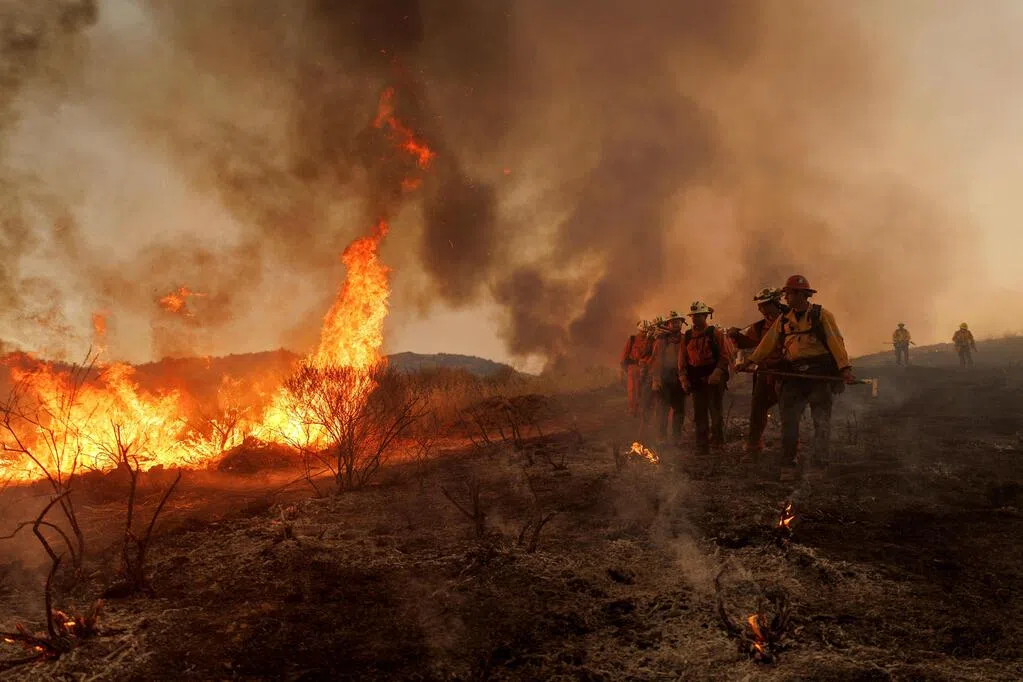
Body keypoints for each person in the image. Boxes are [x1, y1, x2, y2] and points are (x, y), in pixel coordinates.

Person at [739, 275, 856, 479]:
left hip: (818, 374)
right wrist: (750, 361)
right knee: (789, 421)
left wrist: (844, 368)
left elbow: (835, 341)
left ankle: (820, 464)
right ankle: (788, 464)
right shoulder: (784, 320)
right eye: (785, 294)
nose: (786, 298)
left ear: (802, 294)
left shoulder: (821, 315)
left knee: (821, 421)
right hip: (793, 374)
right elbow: (768, 342)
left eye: (789, 294)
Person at [727, 288, 788, 458]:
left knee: (788, 412)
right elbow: (748, 343)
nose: (759, 309)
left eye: (762, 305)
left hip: (786, 373)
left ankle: (790, 450)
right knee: (757, 410)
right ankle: (753, 447)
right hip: (765, 373)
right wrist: (736, 337)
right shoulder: (760, 326)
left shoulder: (791, 320)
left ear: (774, 303)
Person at [678, 301, 732, 454]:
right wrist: (683, 378)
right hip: (696, 378)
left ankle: (718, 444)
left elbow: (724, 356)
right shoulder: (687, 336)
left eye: (699, 316)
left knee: (716, 412)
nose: (695, 319)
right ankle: (702, 446)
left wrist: (717, 373)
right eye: (693, 316)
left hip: (714, 377)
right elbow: (682, 359)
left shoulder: (715, 333)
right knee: (699, 413)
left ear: (706, 316)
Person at [649, 311, 687, 446]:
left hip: (679, 378)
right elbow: (655, 361)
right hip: (664, 378)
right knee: (662, 409)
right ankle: (661, 437)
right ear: (668, 324)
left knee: (679, 409)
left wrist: (685, 379)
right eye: (673, 321)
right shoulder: (661, 341)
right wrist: (655, 379)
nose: (676, 324)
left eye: (678, 321)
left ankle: (677, 437)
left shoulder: (685, 339)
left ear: (682, 323)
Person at [620, 320, 649, 417]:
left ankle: (641, 409)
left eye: (645, 331)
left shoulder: (650, 340)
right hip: (632, 367)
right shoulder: (632, 339)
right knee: (632, 389)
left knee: (642, 389)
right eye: (642, 331)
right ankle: (632, 410)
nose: (644, 333)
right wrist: (624, 367)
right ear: (639, 330)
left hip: (644, 368)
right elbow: (625, 353)